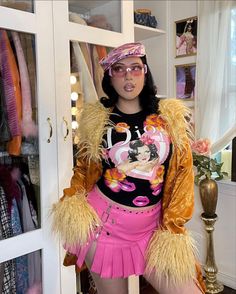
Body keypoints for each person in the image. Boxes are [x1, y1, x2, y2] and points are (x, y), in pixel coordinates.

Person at [52, 42, 205, 294]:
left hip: (154, 229)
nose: (128, 75)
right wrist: (71, 204)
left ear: (145, 71)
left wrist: (194, 146)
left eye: (135, 67)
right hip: (105, 227)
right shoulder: (98, 121)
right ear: (110, 78)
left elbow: (179, 167)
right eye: (119, 69)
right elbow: (84, 170)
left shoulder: (168, 117)